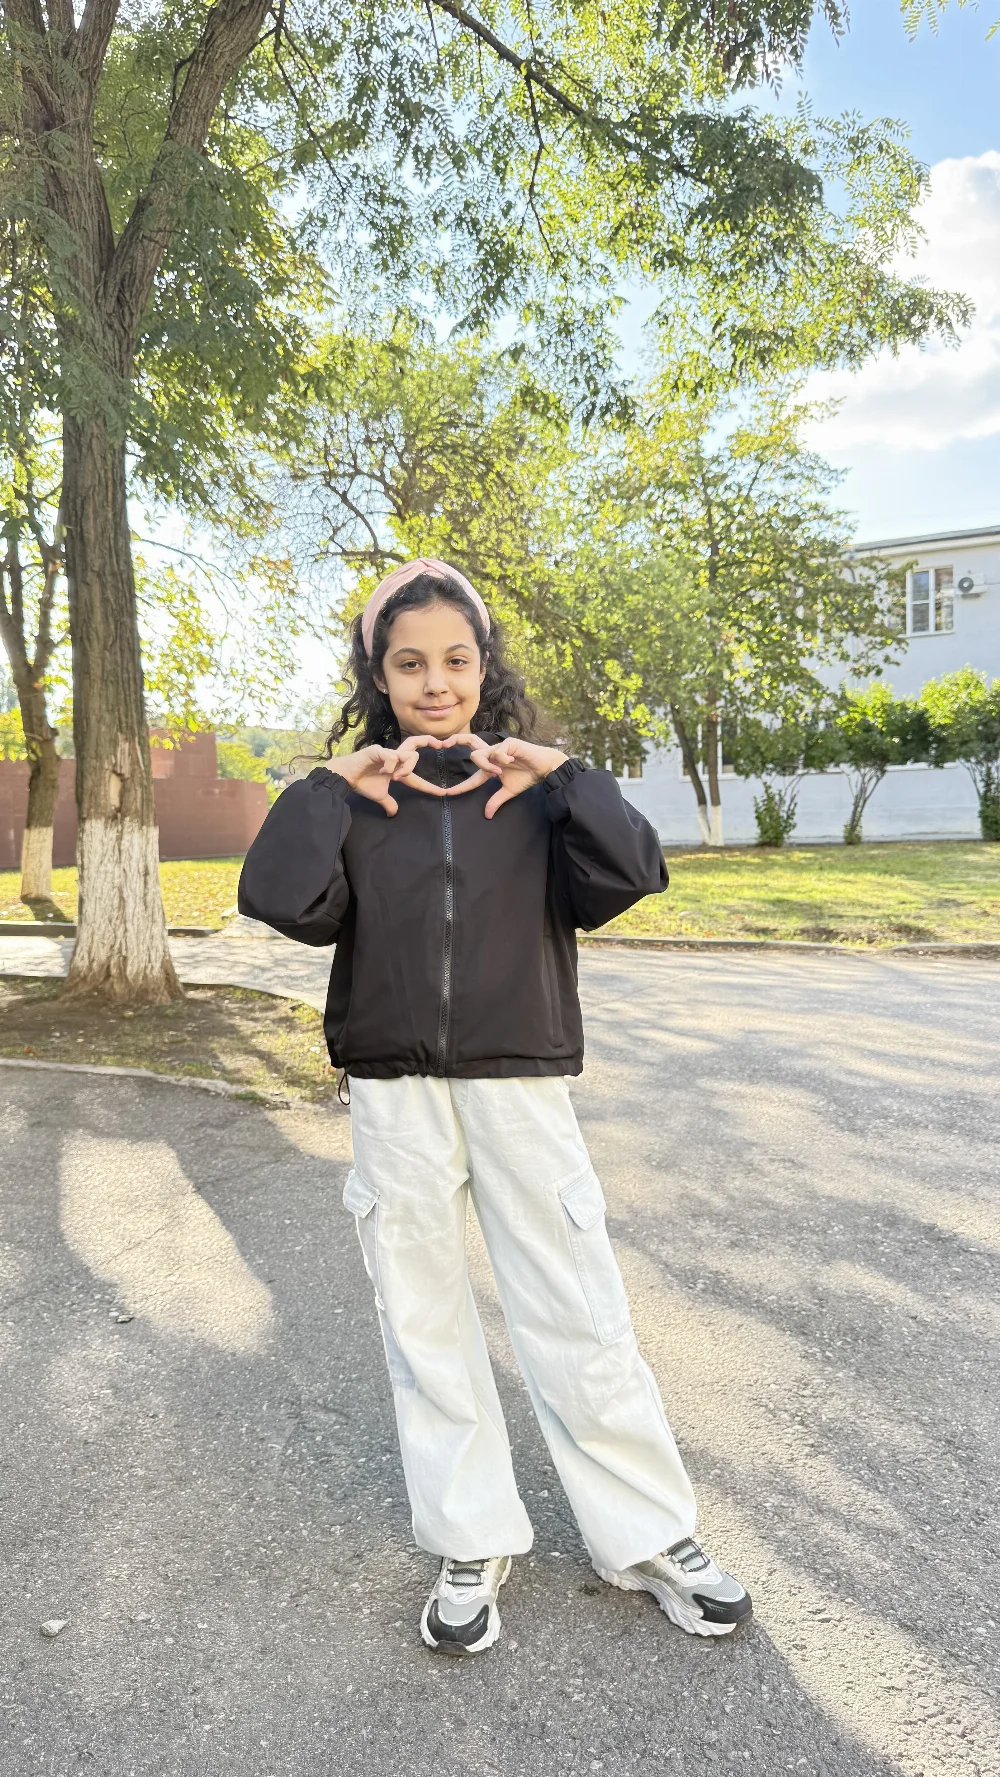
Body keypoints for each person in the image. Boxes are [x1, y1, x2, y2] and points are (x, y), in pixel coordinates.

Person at [238, 558, 751, 1656]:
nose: (435, 683)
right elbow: (278, 897)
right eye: (408, 663)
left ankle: (648, 1532)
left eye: (456, 660)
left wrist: (564, 774)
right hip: (395, 1094)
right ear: (379, 677)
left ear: (484, 667)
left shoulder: (534, 795)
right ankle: (468, 1536)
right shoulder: (357, 802)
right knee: (423, 1322)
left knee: (577, 1308)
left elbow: (633, 871)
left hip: (521, 1084)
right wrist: (327, 787)